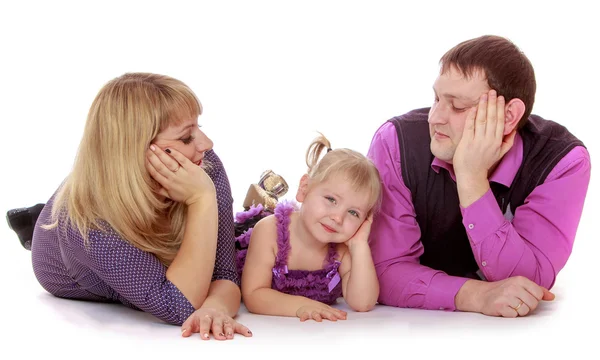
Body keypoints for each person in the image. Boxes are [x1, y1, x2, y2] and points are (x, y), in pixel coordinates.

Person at [367, 35, 591, 318]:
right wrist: (475, 295)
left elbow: (528, 282)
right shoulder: (394, 142)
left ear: (509, 116)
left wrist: (472, 179)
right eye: (436, 98)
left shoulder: (561, 161)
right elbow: (383, 269)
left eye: (458, 106)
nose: (435, 117)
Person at [21, 73, 252, 340]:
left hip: (138, 219)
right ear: (134, 152)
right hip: (69, 257)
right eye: (187, 137)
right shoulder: (89, 222)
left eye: (197, 128)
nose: (206, 144)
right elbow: (178, 304)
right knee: (56, 223)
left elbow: (223, 273)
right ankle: (31, 221)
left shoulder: (202, 165)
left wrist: (215, 307)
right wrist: (201, 200)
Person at [237, 134, 382, 321]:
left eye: (353, 213)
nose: (337, 218)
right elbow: (254, 294)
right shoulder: (269, 232)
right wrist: (302, 306)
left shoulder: (343, 250)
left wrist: (360, 244)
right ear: (304, 188)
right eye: (331, 200)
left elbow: (363, 303)